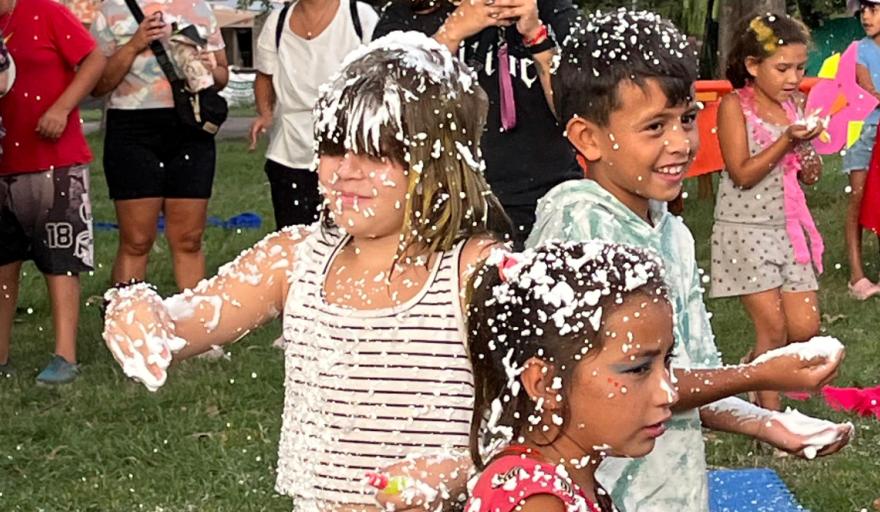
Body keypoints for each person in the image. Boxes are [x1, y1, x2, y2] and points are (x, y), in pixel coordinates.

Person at [101, 32, 510, 511]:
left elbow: (534, 419)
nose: (346, 170)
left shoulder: (476, 273)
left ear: (439, 159)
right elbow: (183, 322)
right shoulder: (294, 260)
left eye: (377, 153)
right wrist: (137, 308)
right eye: (335, 148)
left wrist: (462, 470)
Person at [528, 9, 852, 511]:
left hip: (675, 493)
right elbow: (623, 386)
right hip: (603, 496)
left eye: (685, 119)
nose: (680, 143)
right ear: (587, 138)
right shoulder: (580, 226)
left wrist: (770, 423)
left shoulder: (673, 232)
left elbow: (687, 376)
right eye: (654, 126)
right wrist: (760, 376)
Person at [464, 241, 678, 512]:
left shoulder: (560, 481)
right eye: (638, 369)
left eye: (668, 360)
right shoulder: (538, 502)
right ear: (545, 384)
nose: (669, 392)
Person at [373, 0, 582, 248]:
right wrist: (449, 35)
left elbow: (582, 116)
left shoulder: (549, 8)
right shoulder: (404, 17)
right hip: (448, 211)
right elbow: (385, 117)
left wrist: (536, 35)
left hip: (551, 205)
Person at [713, 12, 827, 412]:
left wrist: (808, 149)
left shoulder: (793, 106)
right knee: (773, 327)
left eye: (800, 68)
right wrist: (785, 143)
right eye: (783, 69)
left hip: (789, 229)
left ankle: (753, 371)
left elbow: (809, 176)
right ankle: (771, 418)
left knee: (805, 328)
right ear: (752, 66)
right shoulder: (733, 107)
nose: (794, 78)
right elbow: (742, 173)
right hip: (745, 229)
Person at [0, 0, 106, 384]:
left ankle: (65, 355)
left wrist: (61, 108)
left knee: (60, 258)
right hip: (4, 162)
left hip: (54, 160)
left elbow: (94, 59)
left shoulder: (43, 10)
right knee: (3, 264)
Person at [91, 0, 229, 290]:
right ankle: (126, 323)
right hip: (132, 129)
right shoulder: (112, 10)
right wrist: (133, 45)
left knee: (189, 239)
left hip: (190, 128)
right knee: (137, 240)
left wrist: (207, 67)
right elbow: (98, 84)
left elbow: (221, 77)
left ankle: (195, 329)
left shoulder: (200, 8)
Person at [249, 0, 379, 230]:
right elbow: (264, 75)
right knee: (295, 241)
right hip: (288, 152)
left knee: (348, 237)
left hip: (349, 151)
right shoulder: (277, 22)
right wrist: (265, 113)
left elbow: (380, 78)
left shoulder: (360, 16)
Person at [842, 0, 880, 299]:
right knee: (857, 198)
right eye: (863, 11)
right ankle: (856, 275)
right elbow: (870, 92)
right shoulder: (858, 50)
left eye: (874, 9)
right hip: (865, 133)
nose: (866, 17)